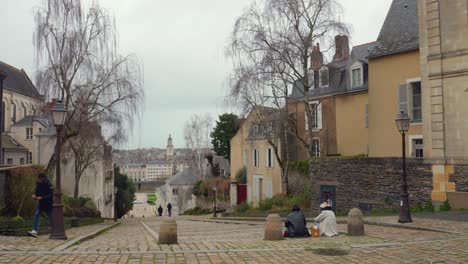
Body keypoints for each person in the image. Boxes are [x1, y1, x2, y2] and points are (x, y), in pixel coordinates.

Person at [28, 173, 53, 237]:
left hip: (48, 204)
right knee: (36, 214)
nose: (39, 180)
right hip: (41, 204)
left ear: (43, 178)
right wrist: (34, 196)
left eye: (40, 179)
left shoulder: (49, 184)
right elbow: (37, 193)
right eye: (39, 179)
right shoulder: (38, 184)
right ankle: (35, 231)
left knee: (51, 217)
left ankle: (55, 230)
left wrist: (42, 198)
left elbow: (50, 195)